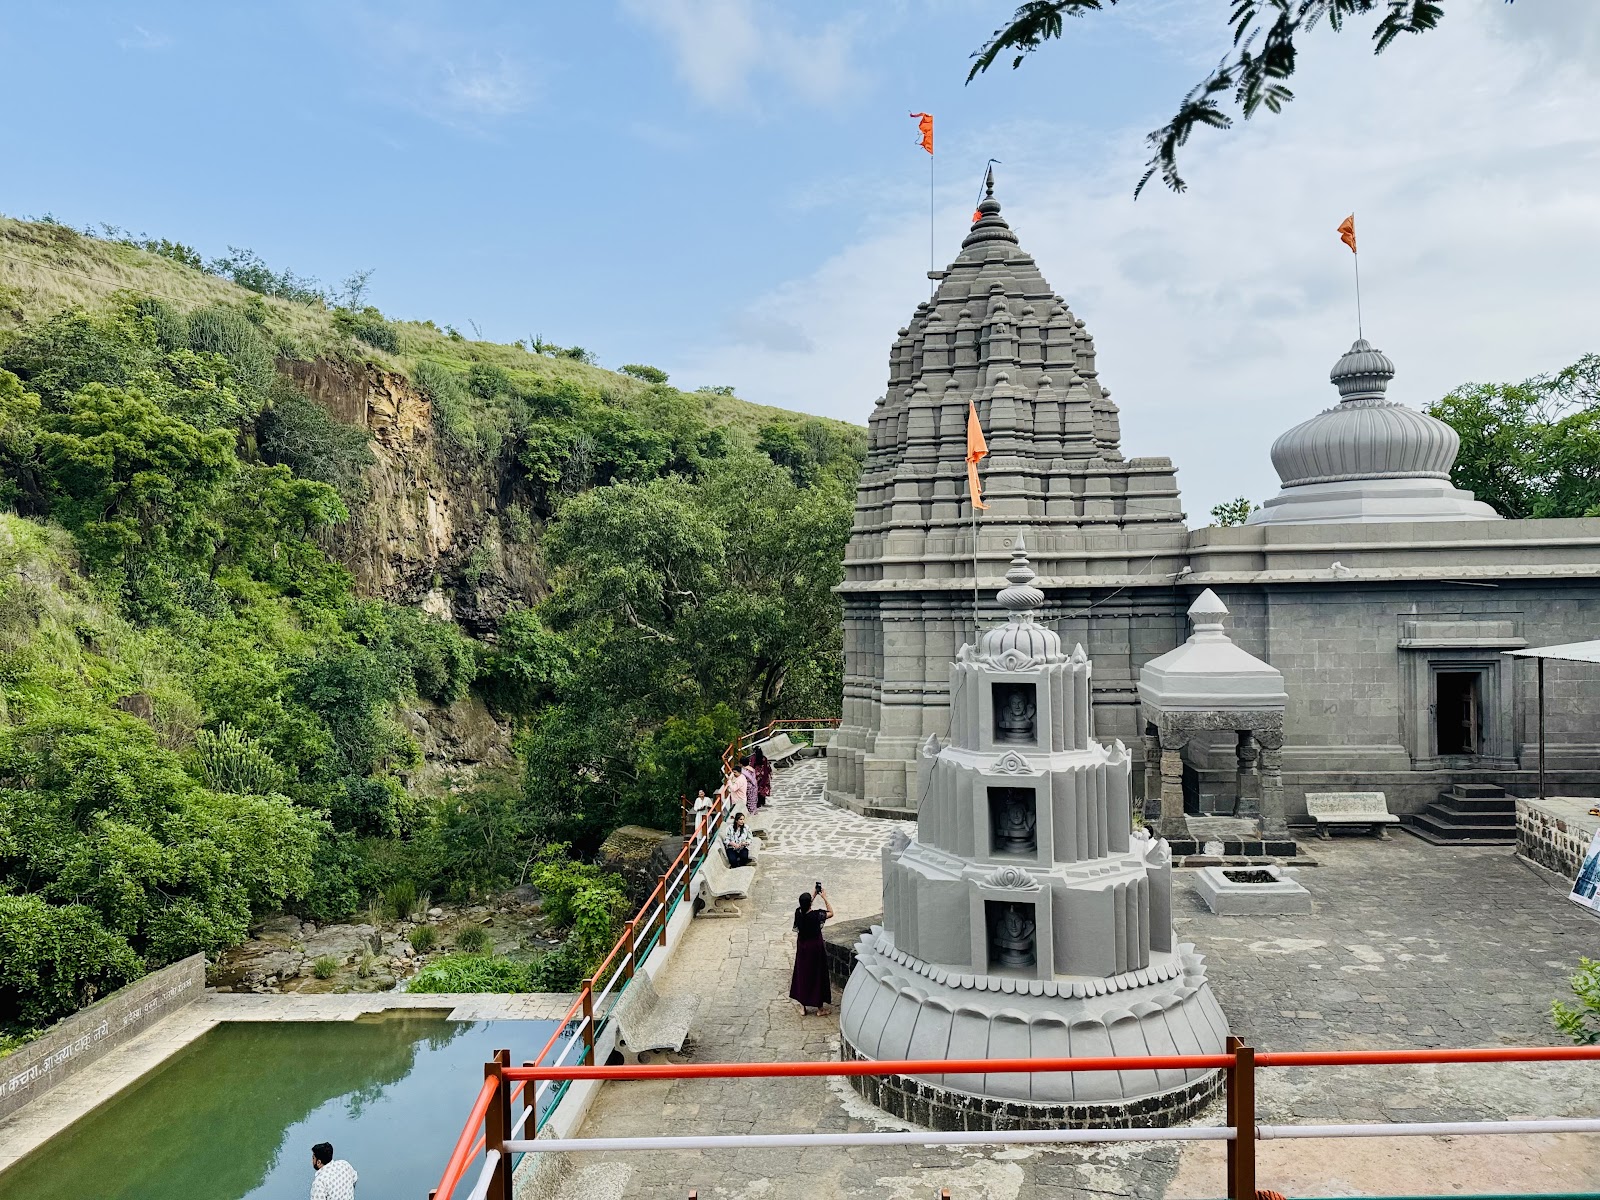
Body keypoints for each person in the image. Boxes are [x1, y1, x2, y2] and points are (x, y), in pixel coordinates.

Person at [789, 886, 833, 1015]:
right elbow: (831, 912)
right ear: (810, 904)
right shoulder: (815, 916)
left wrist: (813, 896)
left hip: (803, 949)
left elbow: (804, 908)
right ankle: (820, 1009)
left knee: (803, 974)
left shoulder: (798, 913)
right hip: (815, 950)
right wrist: (824, 897)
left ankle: (803, 1007)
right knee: (817, 975)